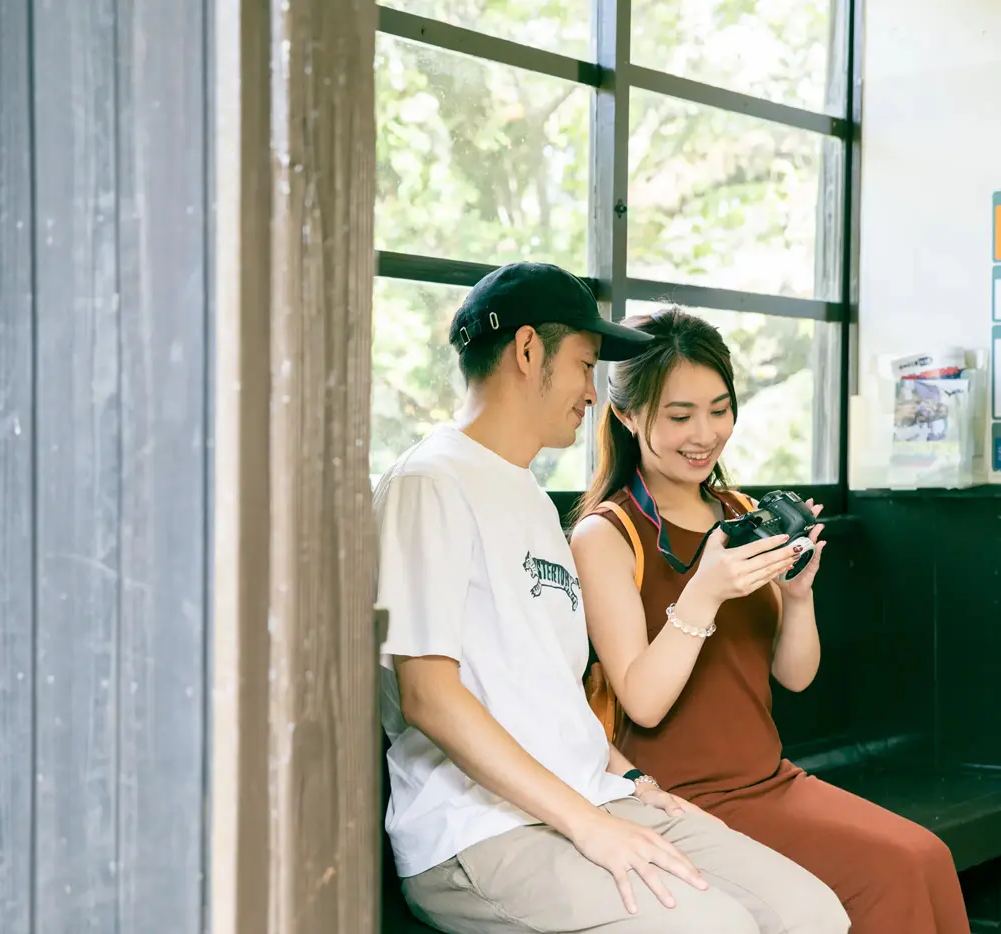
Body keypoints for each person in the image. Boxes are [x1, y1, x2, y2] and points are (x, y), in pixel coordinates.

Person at [374, 262, 851, 934]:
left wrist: (630, 781)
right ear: (528, 350)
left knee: (812, 915)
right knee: (716, 928)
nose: (593, 393)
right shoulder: (430, 482)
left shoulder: (529, 497)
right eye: (584, 365)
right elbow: (427, 696)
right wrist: (588, 825)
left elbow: (551, 697)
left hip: (595, 796)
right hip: (478, 831)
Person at [568, 307, 969, 934]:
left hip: (770, 779)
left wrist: (799, 596)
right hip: (676, 801)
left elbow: (795, 676)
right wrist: (704, 593)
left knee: (926, 856)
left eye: (720, 409)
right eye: (680, 416)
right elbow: (642, 703)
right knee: (894, 871)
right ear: (627, 416)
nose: (706, 434)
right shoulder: (605, 534)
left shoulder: (740, 511)